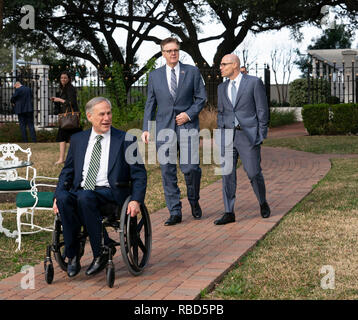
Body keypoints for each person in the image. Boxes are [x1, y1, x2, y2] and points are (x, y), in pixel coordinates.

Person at [53, 97, 147, 278]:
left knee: (85, 197)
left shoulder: (126, 140)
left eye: (109, 113)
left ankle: (101, 252)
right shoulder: (78, 139)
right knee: (66, 199)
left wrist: (136, 200)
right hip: (82, 191)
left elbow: (139, 174)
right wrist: (58, 195)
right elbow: (67, 172)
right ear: (89, 117)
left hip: (110, 194)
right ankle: (72, 255)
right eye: (101, 114)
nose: (106, 118)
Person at [141, 37, 206, 226]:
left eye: (175, 50)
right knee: (167, 171)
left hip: (187, 127)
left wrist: (189, 114)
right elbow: (150, 104)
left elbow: (201, 98)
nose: (173, 53)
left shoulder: (192, 72)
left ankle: (194, 200)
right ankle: (175, 211)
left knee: (191, 168)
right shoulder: (155, 76)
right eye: (169, 51)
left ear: (179, 51)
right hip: (163, 129)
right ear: (163, 53)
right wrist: (147, 128)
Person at [214, 54, 270, 225]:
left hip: (247, 135)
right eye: (221, 64)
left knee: (253, 173)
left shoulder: (253, 82)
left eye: (224, 64)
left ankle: (262, 202)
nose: (221, 67)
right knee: (227, 174)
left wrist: (260, 134)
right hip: (227, 136)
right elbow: (222, 112)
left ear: (235, 65)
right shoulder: (221, 88)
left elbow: (262, 110)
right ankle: (229, 212)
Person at [50, 71, 82, 165]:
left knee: (69, 138)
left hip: (69, 118)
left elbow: (71, 102)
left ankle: (66, 158)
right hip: (66, 117)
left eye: (65, 78)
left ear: (68, 79)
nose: (63, 79)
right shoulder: (62, 88)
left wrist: (59, 99)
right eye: (61, 78)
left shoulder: (70, 89)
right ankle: (63, 158)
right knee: (64, 138)